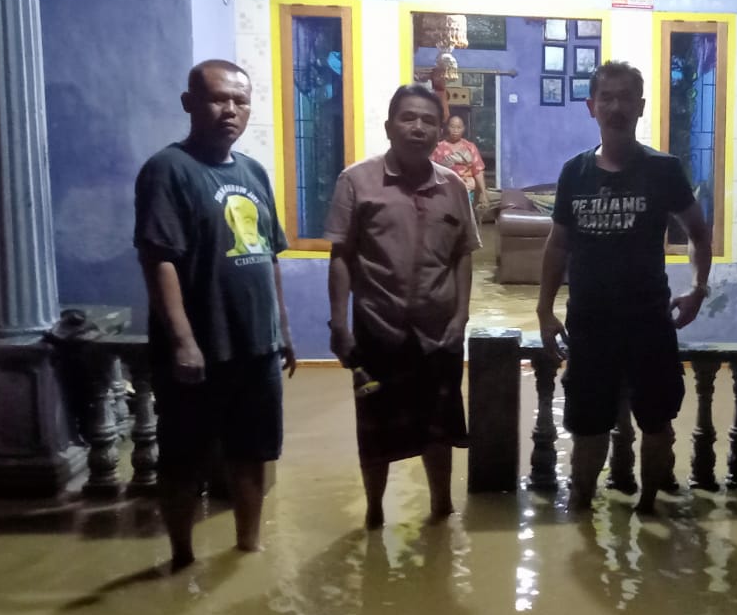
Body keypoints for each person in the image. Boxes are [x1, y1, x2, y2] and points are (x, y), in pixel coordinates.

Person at [134, 59, 296, 571]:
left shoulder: (252, 172)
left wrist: (283, 330)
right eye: (217, 99)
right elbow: (158, 258)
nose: (230, 110)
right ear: (189, 104)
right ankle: (182, 556)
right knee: (185, 458)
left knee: (253, 453)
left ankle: (247, 547)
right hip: (200, 348)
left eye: (240, 101)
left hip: (257, 345)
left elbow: (267, 254)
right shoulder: (168, 170)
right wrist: (182, 340)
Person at [536, 61, 713, 515]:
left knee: (658, 424)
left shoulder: (663, 169)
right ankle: (580, 509)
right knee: (587, 427)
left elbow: (697, 231)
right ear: (592, 106)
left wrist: (698, 287)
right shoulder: (574, 173)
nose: (616, 106)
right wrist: (543, 310)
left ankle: (650, 504)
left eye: (626, 97)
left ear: (641, 106)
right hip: (590, 324)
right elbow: (558, 246)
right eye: (607, 98)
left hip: (649, 323)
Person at [326, 84, 480, 529]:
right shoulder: (356, 181)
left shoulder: (453, 186)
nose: (419, 128)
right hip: (378, 331)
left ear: (439, 131)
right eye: (409, 118)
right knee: (375, 432)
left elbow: (464, 255)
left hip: (439, 334)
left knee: (439, 430)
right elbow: (341, 256)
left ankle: (441, 509)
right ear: (389, 125)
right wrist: (340, 324)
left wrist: (461, 317)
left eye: (428, 121)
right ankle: (374, 513)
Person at [432, 115, 489, 210]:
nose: (455, 130)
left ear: (464, 129)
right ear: (447, 127)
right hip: (445, 191)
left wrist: (484, 193)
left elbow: (478, 170)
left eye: (459, 127)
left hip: (467, 190)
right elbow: (431, 171)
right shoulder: (438, 148)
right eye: (452, 127)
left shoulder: (470, 147)